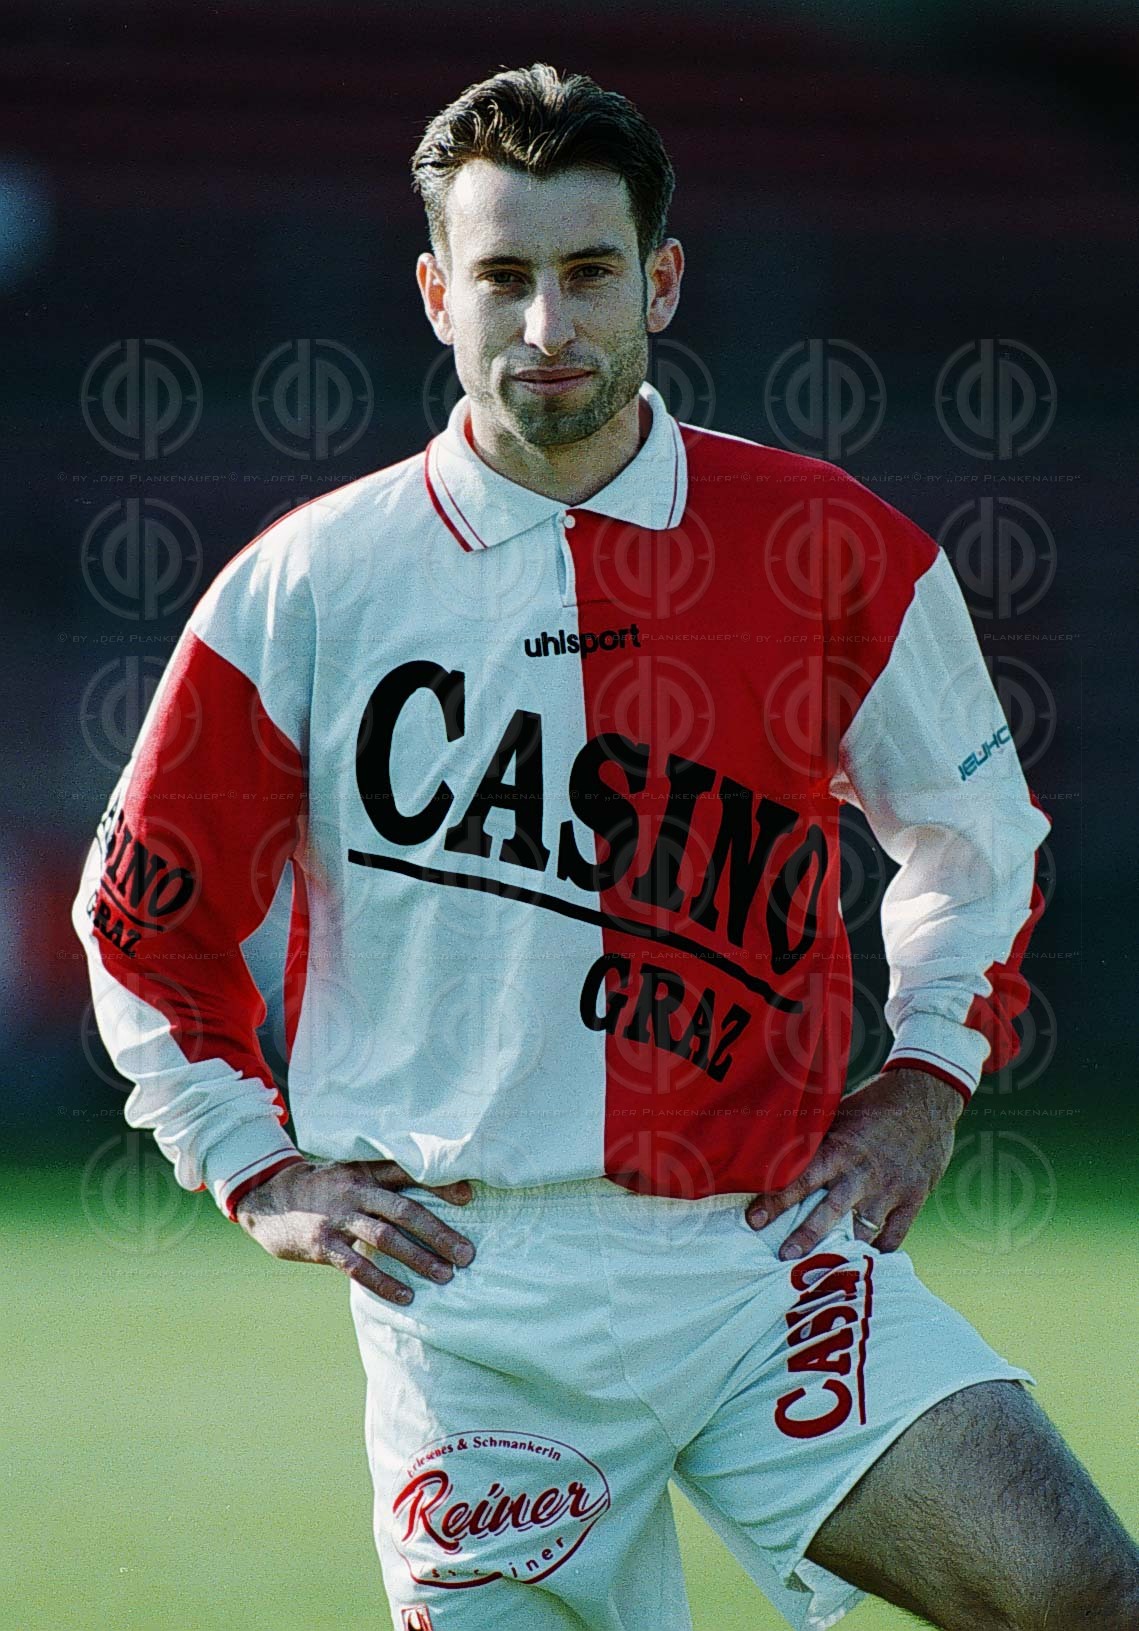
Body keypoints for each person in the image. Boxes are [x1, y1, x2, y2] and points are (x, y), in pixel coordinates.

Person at [72, 62, 1138, 1631]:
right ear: (437, 294)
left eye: (588, 272)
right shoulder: (306, 587)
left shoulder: (829, 543)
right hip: (468, 1293)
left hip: (764, 1254)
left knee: (1075, 1587)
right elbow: (141, 923)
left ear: (663, 281)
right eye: (504, 276)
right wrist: (256, 1164)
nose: (548, 324)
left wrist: (923, 1083)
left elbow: (975, 841)